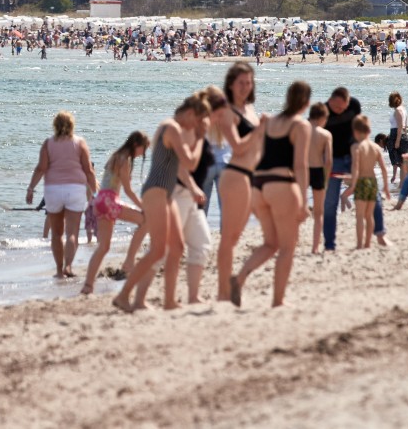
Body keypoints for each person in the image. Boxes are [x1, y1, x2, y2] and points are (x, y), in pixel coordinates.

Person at [113, 89, 225, 312]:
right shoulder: (172, 128)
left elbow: (185, 167)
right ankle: (124, 295)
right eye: (198, 120)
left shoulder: (174, 128)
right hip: (155, 192)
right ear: (191, 113)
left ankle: (168, 300)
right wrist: (201, 138)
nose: (197, 125)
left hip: (165, 194)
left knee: (176, 247)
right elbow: (191, 163)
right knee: (158, 250)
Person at [230, 81, 312, 307]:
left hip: (258, 185)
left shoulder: (269, 121)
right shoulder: (300, 126)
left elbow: (256, 153)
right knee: (287, 247)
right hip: (281, 185)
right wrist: (304, 202)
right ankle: (278, 300)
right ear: (306, 102)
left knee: (271, 243)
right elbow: (300, 165)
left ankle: (239, 278)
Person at [214, 62, 268, 302]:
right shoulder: (227, 111)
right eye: (241, 83)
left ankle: (234, 282)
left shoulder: (249, 108)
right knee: (229, 239)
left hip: (252, 178)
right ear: (231, 85)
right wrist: (260, 130)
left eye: (249, 82)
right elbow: (236, 146)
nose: (245, 87)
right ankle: (223, 292)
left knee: (247, 238)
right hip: (234, 176)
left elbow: (256, 145)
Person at [26, 111, 99, 279]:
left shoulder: (48, 144)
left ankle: (59, 271)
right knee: (72, 233)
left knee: (56, 234)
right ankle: (68, 266)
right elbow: (89, 171)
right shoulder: (80, 143)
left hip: (53, 190)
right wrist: (95, 193)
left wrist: (31, 188)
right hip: (75, 190)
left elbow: (41, 168)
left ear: (55, 125)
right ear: (72, 125)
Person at [81, 132, 148, 294]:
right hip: (110, 200)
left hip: (99, 201)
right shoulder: (124, 160)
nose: (143, 153)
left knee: (103, 247)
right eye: (143, 149)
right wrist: (143, 206)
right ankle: (129, 262)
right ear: (135, 145)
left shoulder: (115, 156)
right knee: (146, 220)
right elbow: (128, 190)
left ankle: (88, 285)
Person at [323, 87, 388, 250]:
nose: (341, 110)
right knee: (330, 202)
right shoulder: (323, 111)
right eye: (338, 107)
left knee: (375, 196)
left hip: (354, 154)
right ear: (331, 101)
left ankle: (380, 235)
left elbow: (360, 128)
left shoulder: (354, 105)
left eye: (344, 107)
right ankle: (329, 244)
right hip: (335, 159)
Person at [340, 115, 390, 248]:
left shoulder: (356, 147)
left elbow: (355, 168)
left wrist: (353, 185)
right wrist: (385, 186)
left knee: (360, 216)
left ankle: (359, 244)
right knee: (369, 216)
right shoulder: (376, 148)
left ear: (355, 132)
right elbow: (384, 169)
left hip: (361, 182)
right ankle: (368, 243)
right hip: (373, 183)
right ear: (369, 131)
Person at [306, 103, 332, 255]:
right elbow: (328, 160)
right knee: (318, 212)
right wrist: (327, 179)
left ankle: (294, 240)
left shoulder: (302, 130)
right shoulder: (325, 134)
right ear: (322, 117)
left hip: (303, 170)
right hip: (318, 171)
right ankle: (315, 247)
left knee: (297, 207)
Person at [386, 92, 408, 185]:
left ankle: (404, 182)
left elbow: (400, 127)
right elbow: (405, 126)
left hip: (397, 135)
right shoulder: (403, 109)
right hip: (402, 135)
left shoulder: (398, 111)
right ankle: (404, 181)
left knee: (398, 160)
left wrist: (397, 141)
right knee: (402, 162)